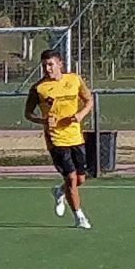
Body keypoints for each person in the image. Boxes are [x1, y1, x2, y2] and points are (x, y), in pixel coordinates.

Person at [24, 49, 94, 229]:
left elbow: (88, 100)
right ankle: (79, 217)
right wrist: (43, 120)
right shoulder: (39, 88)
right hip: (56, 139)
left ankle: (59, 191)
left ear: (60, 64)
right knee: (71, 178)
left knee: (80, 179)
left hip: (75, 136)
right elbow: (28, 113)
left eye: (51, 64)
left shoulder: (74, 80)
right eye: (44, 65)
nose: (47, 69)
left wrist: (80, 115)